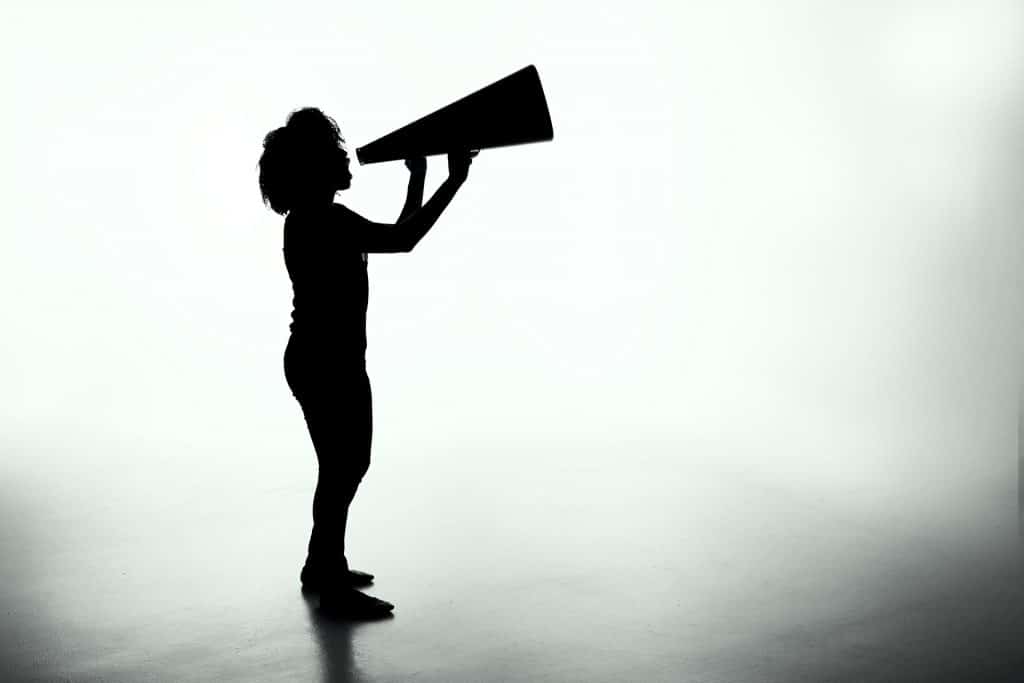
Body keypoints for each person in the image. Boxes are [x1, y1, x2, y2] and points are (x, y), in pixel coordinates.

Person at [258, 107, 474, 618]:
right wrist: (454, 179)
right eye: (337, 154)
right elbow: (404, 240)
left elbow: (398, 232)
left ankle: (321, 565)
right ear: (316, 170)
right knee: (343, 468)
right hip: (328, 363)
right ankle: (330, 583)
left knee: (341, 468)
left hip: (319, 360)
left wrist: (420, 177)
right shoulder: (325, 221)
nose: (348, 158)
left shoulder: (312, 220)